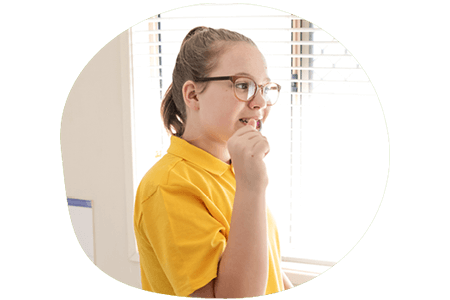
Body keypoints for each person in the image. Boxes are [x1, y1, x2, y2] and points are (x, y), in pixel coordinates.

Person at [133, 26, 293, 298]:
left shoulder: (233, 171)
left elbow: (270, 273)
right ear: (193, 95)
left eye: (264, 88)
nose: (260, 102)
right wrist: (252, 186)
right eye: (244, 85)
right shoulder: (168, 186)